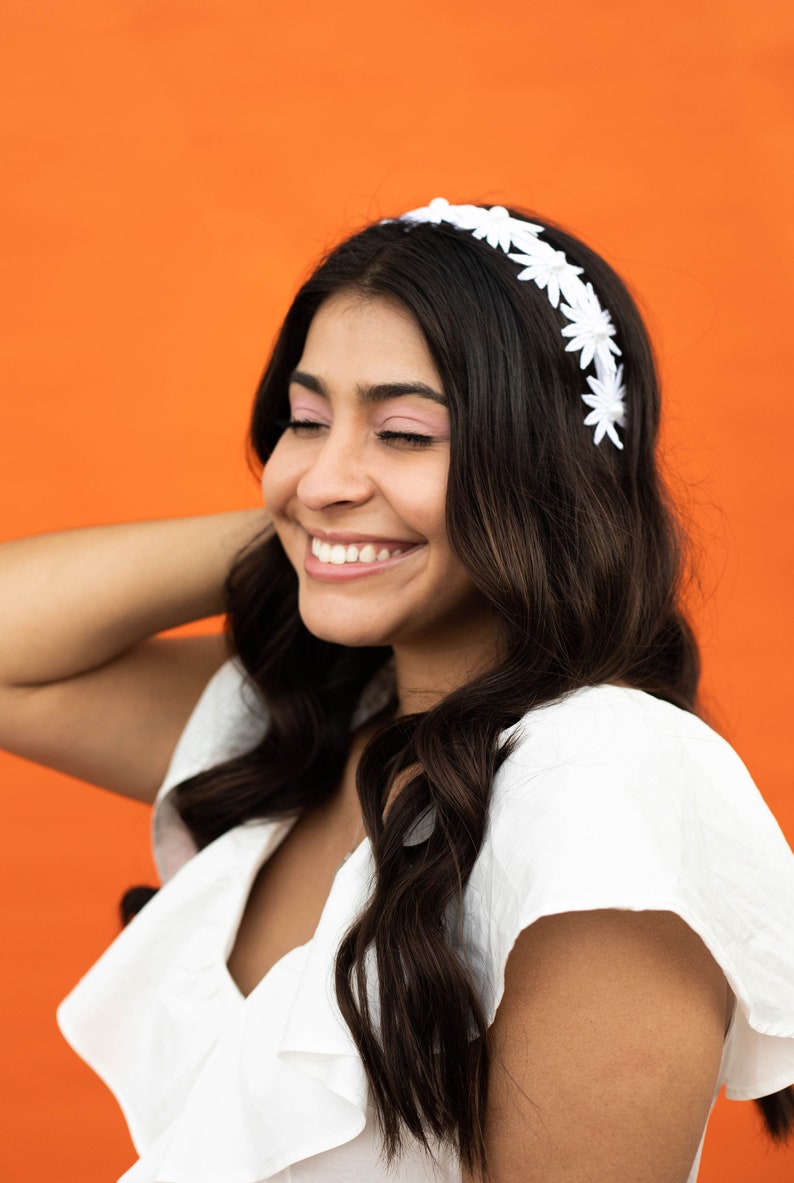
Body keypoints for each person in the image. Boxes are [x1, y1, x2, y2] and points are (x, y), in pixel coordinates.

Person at [1, 198, 792, 1183]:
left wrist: (352, 526)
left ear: (536, 467)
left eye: (404, 433)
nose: (326, 470)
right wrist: (310, 529)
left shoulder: (604, 780)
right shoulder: (315, 722)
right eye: (304, 419)